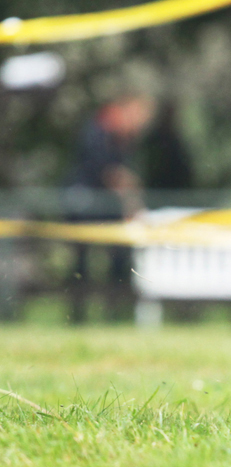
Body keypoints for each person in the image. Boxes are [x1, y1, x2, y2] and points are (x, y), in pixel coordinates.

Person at [64, 94, 155, 323]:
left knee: (116, 261)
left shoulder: (121, 136)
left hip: (107, 210)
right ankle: (79, 316)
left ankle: (112, 315)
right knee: (81, 263)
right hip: (86, 208)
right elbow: (104, 169)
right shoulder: (101, 130)